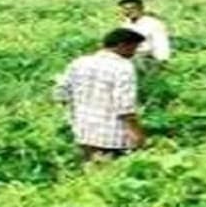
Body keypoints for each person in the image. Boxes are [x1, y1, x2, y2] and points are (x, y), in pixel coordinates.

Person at [54, 28, 147, 162]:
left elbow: (61, 91)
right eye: (134, 48)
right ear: (122, 46)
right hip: (112, 136)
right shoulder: (123, 67)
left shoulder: (80, 62)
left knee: (90, 170)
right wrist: (136, 134)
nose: (134, 53)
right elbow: (125, 106)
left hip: (83, 131)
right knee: (111, 174)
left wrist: (71, 114)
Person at [119, 0, 172, 67]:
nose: (129, 11)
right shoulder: (125, 25)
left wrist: (162, 62)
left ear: (141, 9)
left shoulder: (153, 24)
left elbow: (161, 44)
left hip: (148, 59)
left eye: (133, 8)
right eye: (126, 9)